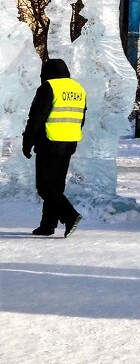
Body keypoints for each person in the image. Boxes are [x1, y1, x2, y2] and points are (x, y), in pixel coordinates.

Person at [21, 58, 85, 237]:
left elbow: (36, 118)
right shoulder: (78, 89)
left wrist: (27, 142)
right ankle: (47, 225)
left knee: (44, 186)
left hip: (49, 142)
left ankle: (70, 215)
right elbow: (81, 118)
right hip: (70, 142)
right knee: (56, 187)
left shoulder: (48, 87)